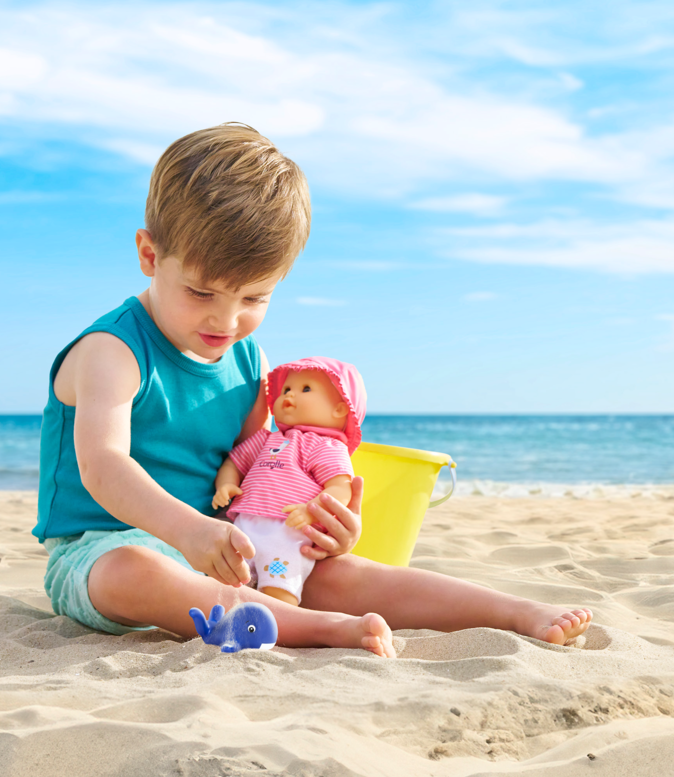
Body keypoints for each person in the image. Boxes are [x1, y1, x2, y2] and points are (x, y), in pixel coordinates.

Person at [33, 123, 592, 659]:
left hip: (224, 544)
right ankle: (319, 630)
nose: (226, 320)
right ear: (150, 255)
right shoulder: (113, 350)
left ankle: (513, 612)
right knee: (135, 572)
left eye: (254, 298)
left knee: (344, 573)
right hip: (103, 546)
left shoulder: (249, 362)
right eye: (201, 293)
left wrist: (320, 527)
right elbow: (103, 466)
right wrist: (189, 531)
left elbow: (262, 469)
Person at [213, 357, 365, 606]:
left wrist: (312, 510)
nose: (290, 395)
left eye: (305, 388)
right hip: (244, 524)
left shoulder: (326, 446)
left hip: (288, 531)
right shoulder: (267, 438)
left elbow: (339, 488)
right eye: (286, 389)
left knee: (280, 583)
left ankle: (280, 617)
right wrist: (226, 484)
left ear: (339, 409)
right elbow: (235, 462)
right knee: (224, 579)